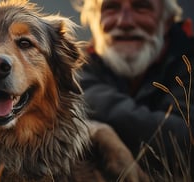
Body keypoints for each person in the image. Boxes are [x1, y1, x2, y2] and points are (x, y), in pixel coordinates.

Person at [76, 0, 194, 175]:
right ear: (94, 21)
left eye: (141, 7)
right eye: (111, 7)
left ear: (167, 21)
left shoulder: (188, 58)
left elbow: (184, 140)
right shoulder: (73, 68)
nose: (124, 22)